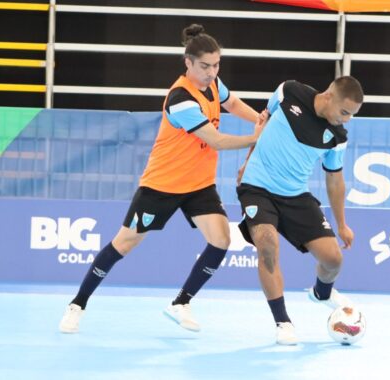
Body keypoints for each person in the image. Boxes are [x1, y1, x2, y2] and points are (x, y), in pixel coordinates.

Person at [60, 24, 267, 333]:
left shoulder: (213, 84)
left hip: (198, 185)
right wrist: (258, 138)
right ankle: (77, 305)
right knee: (123, 245)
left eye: (216, 65)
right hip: (162, 185)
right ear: (188, 63)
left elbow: (233, 103)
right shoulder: (181, 98)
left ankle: (181, 302)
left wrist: (262, 120)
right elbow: (217, 141)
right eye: (205, 66)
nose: (212, 72)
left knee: (221, 239)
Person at [236, 76, 363, 345]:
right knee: (267, 246)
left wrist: (342, 224)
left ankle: (321, 293)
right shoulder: (288, 92)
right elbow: (264, 121)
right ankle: (283, 321)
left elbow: (334, 179)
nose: (347, 119)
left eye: (352, 115)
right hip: (257, 186)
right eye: (344, 112)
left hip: (295, 195)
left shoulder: (337, 136)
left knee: (333, 260)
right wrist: (248, 161)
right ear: (329, 96)